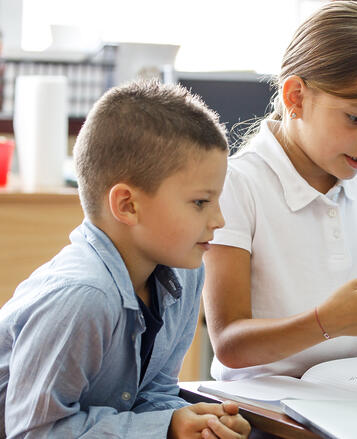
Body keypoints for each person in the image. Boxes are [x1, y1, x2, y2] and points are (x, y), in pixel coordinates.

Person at [0, 81, 250, 438]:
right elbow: (33, 433)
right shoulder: (83, 297)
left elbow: (153, 393)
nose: (219, 220)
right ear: (127, 206)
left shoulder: (184, 273)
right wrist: (164, 427)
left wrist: (198, 422)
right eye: (200, 202)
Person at [202, 1, 357, 381]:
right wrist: (327, 321)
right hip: (268, 410)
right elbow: (229, 344)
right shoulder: (238, 183)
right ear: (296, 98)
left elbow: (349, 313)